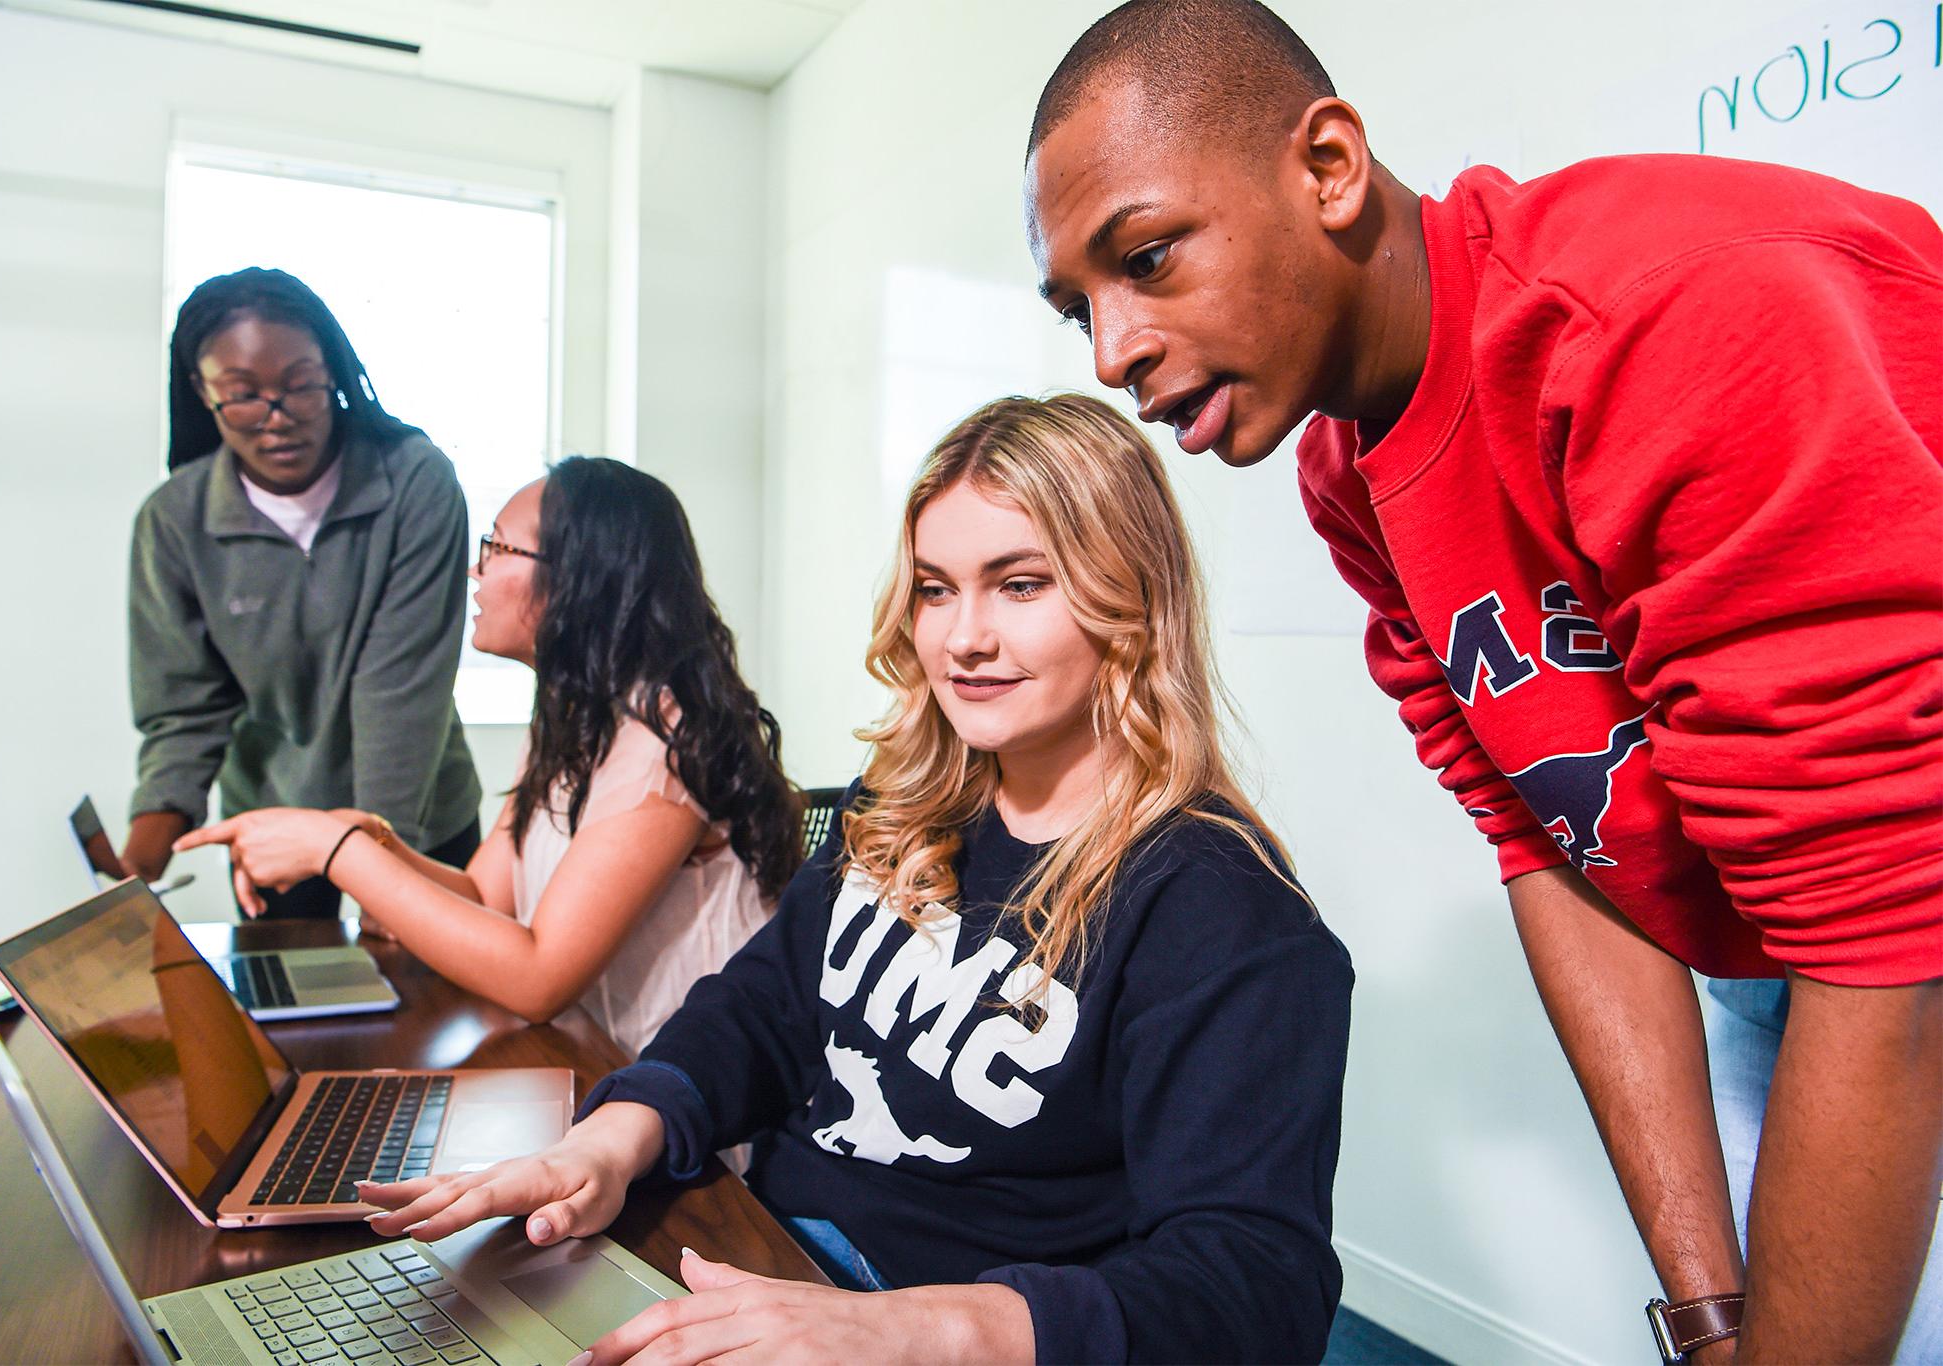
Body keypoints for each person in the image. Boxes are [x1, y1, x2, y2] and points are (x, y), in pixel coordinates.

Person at [1021, 2, 1943, 1360]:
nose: (1112, 352)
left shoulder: (1663, 319)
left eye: (1147, 257)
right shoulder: (1347, 470)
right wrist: (1704, 1312)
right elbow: (1552, 827)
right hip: (1790, 967)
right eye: (1078, 305)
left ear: (1328, 167)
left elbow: (1880, 929)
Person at [359, 394, 1354, 1364]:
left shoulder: (1224, 911)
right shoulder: (910, 806)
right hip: (762, 1254)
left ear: (1130, 598)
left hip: (924, 1330)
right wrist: (611, 1139)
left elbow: (1256, 1283)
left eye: (1019, 583)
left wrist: (924, 1330)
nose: (962, 637)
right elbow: (760, 1007)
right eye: (933, 587)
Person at [175, 457, 800, 1051]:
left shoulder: (666, 736)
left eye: (498, 548)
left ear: (582, 577)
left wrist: (334, 853)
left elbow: (538, 980)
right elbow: (482, 895)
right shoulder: (579, 714)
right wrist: (366, 838)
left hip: (693, 1117)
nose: (475, 571)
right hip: (602, 1068)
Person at [124, 267, 481, 919]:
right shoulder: (175, 520)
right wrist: (140, 857)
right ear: (201, 394)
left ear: (335, 374)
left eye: (301, 386)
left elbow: (398, 691)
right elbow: (184, 709)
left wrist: (385, 882)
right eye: (242, 394)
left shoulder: (412, 481)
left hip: (419, 816)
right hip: (276, 827)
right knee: (289, 1012)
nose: (278, 418)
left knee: (441, 1010)